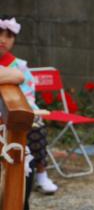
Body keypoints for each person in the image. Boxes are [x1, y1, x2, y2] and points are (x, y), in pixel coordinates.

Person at [0, 17, 58, 196]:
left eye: (9, 36)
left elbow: (26, 94)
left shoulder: (20, 66)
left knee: (34, 124)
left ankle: (41, 171)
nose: (3, 40)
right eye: (0, 35)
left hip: (12, 111)